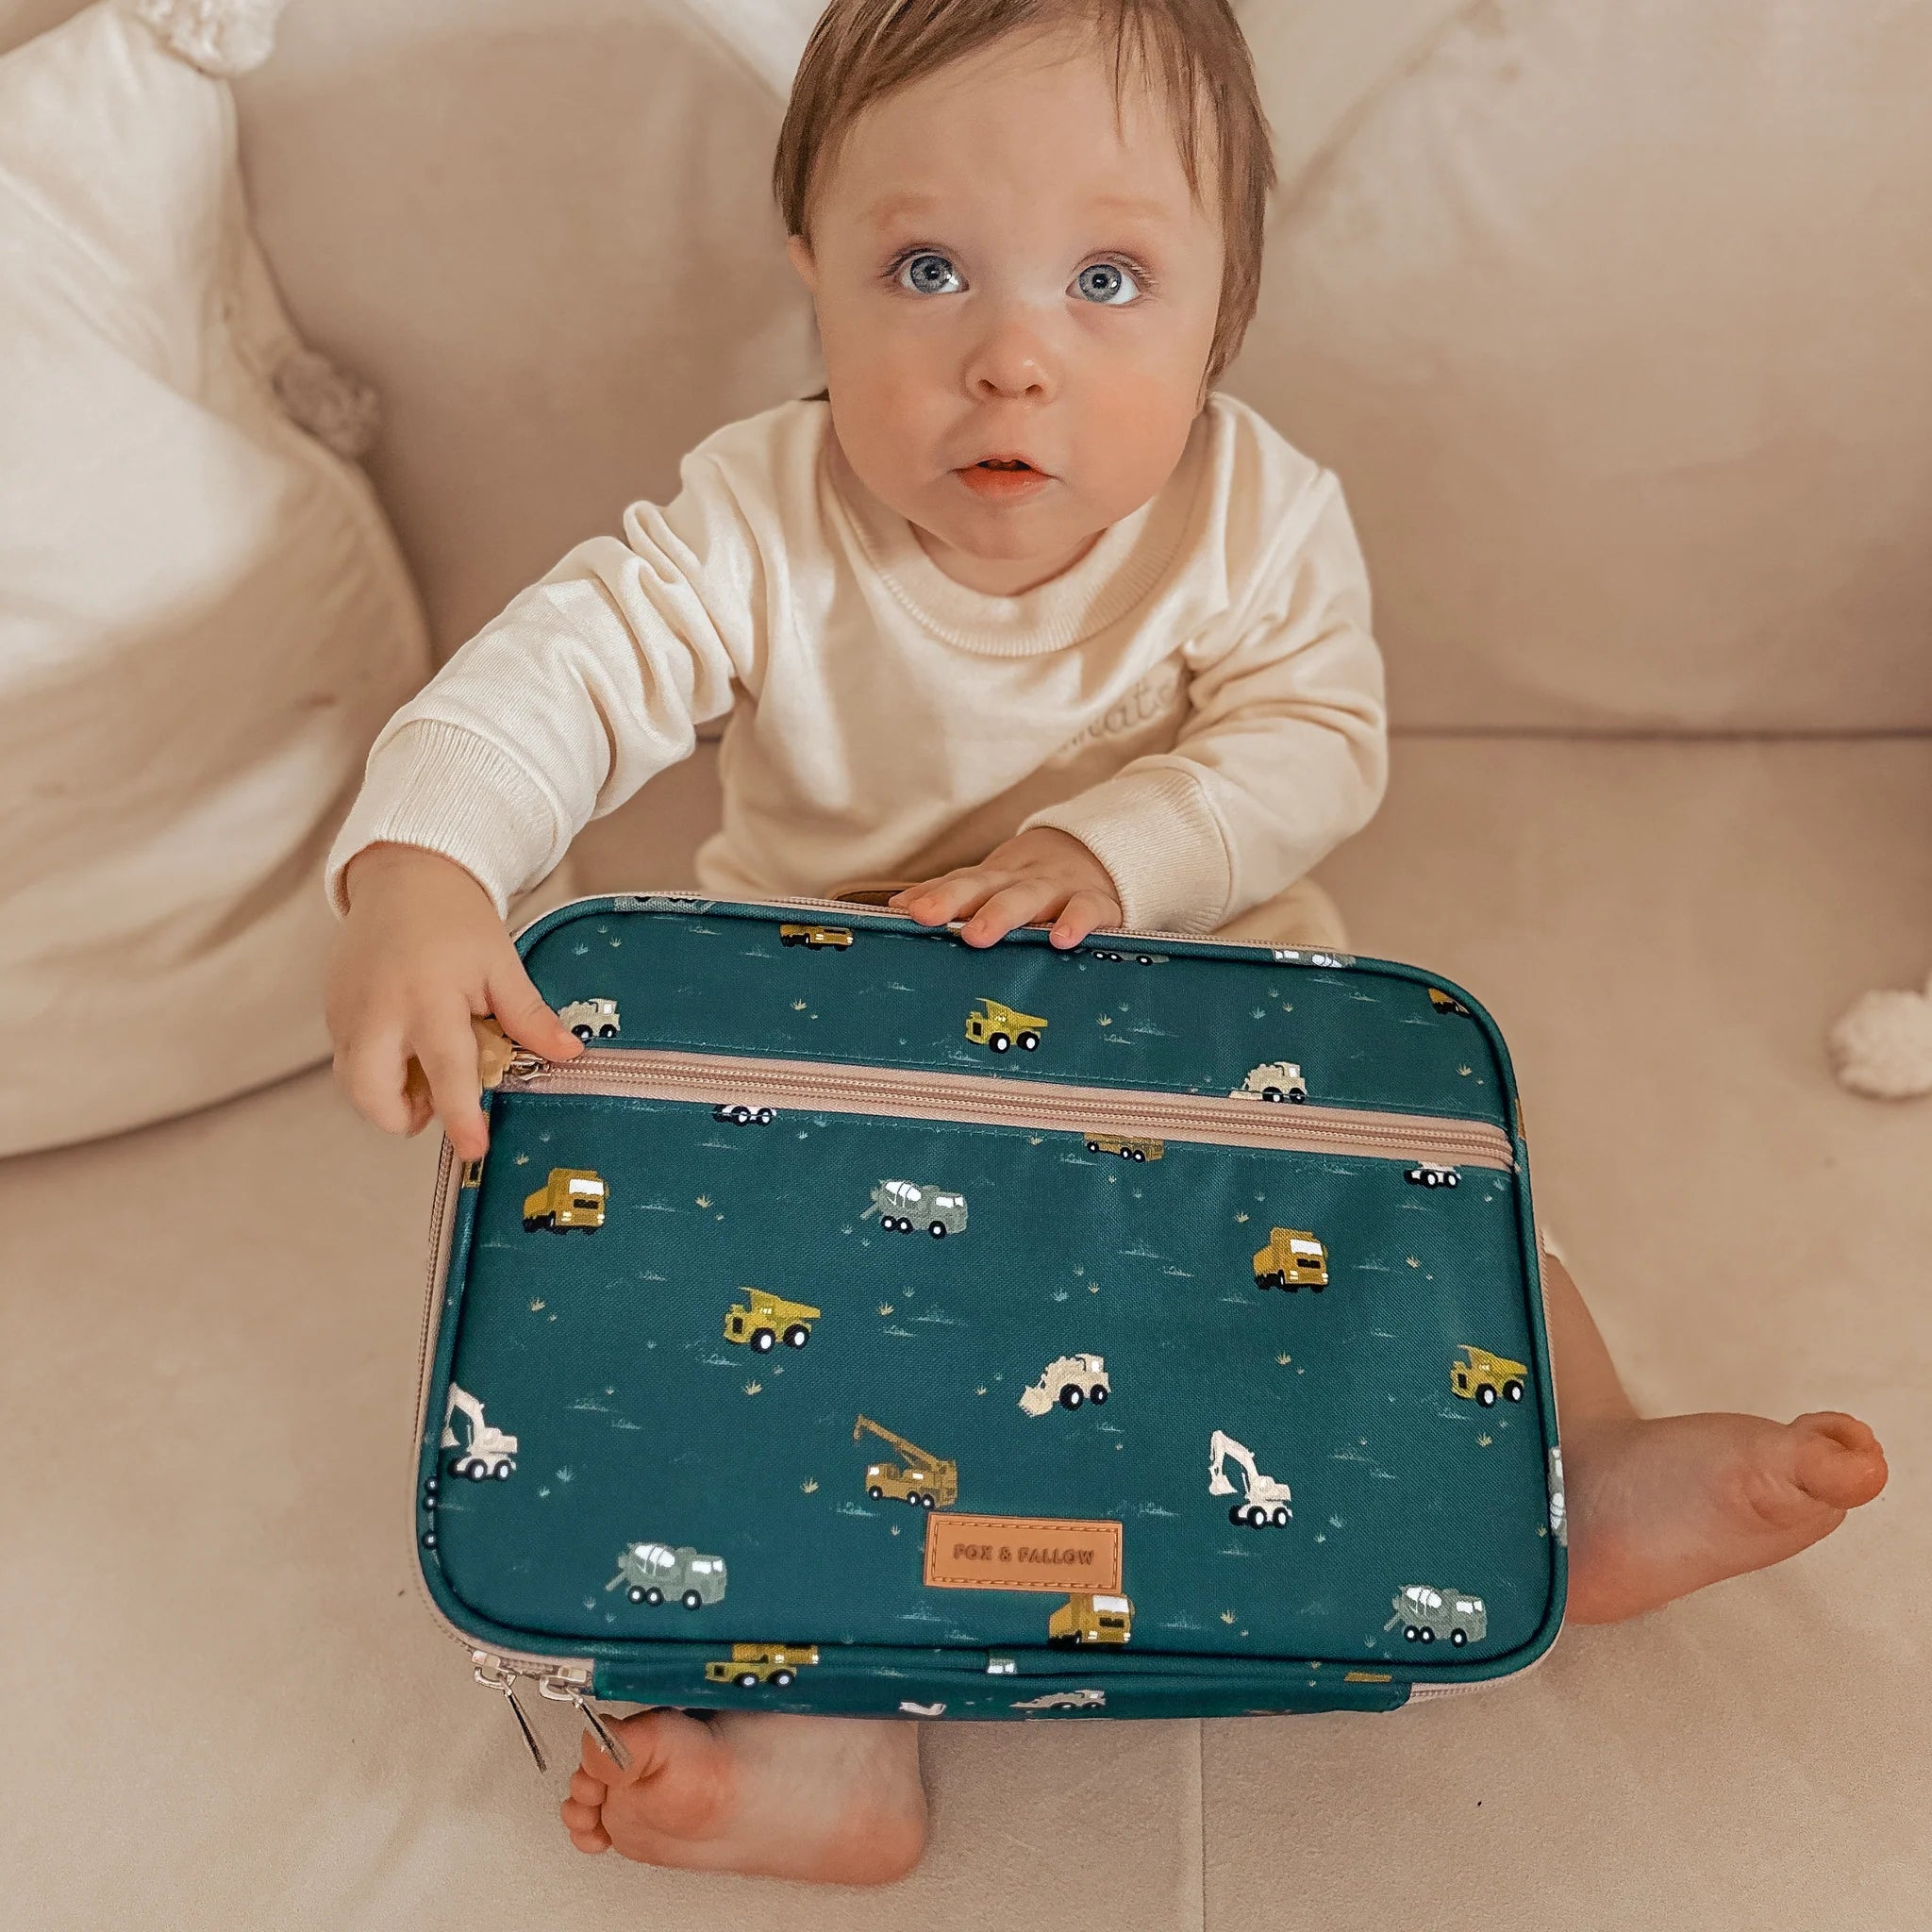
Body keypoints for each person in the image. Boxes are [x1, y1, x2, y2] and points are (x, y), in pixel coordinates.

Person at [322, 0, 1888, 1887]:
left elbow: (1315, 742)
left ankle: (1590, 1464)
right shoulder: (752, 518)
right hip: (840, 1060)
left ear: (1226, 305)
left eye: (1108, 278)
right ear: (807, 259)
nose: (1009, 362)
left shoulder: (1255, 518)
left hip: (1197, 1037)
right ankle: (834, 1750)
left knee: (1429, 1225)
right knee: (825, 1407)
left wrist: (1116, 847)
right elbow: (553, 679)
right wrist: (424, 858)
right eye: (924, 268)